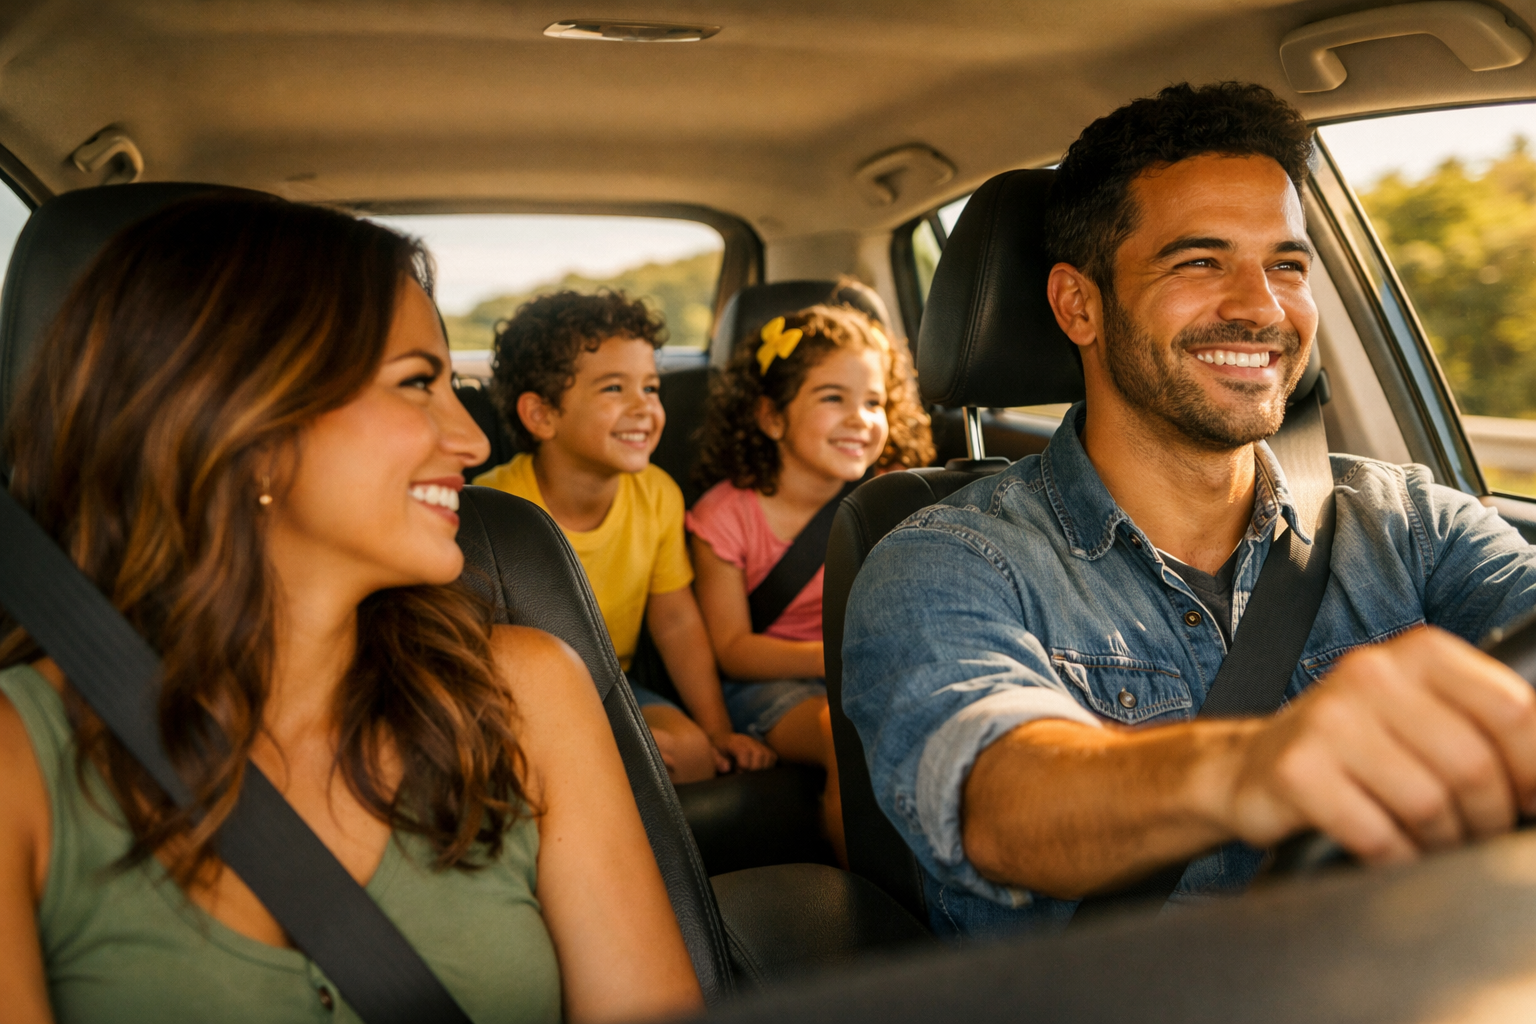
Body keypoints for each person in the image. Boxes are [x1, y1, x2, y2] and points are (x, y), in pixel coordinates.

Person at [842, 82, 1536, 939]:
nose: (1262, 306)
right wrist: (1250, 769)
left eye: (1286, 265)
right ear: (1078, 305)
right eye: (1199, 261)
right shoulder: (945, 558)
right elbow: (999, 795)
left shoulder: (1412, 522)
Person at [0, 194, 703, 1022]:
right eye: (417, 384)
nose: (473, 443)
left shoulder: (530, 695)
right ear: (247, 425)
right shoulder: (22, 766)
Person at [476, 291, 773, 783]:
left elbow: (676, 620)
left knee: (694, 755)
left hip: (614, 685)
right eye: (614, 388)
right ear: (541, 415)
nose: (644, 407)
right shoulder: (494, 508)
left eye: (651, 388)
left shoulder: (657, 494)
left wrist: (718, 728)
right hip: (515, 698)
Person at [690, 303, 934, 864]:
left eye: (874, 402)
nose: (861, 418)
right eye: (833, 398)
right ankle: (870, 895)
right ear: (773, 417)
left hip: (867, 668)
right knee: (839, 732)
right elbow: (733, 652)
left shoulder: (891, 498)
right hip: (772, 686)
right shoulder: (726, 516)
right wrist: (838, 660)